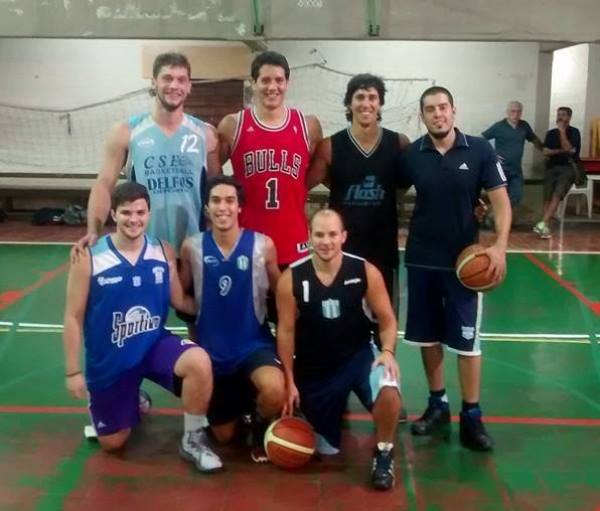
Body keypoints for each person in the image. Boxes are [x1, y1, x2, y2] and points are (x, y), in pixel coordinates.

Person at [63, 182, 223, 473]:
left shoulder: (162, 250)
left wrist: (223, 305)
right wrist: (73, 371)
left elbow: (179, 300)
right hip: (111, 358)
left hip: (153, 345)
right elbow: (73, 317)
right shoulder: (89, 257)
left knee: (199, 361)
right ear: (114, 214)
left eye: (140, 212)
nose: (133, 219)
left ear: (149, 214)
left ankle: (193, 439)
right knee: (113, 443)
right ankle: (131, 398)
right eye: (126, 213)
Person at [399, 86, 511, 451]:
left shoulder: (479, 150)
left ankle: (472, 416)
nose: (438, 114)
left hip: (464, 264)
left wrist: (499, 247)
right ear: (422, 116)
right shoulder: (412, 154)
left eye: (443, 107)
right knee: (428, 338)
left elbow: (501, 203)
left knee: (467, 342)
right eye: (430, 109)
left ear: (453, 110)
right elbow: (392, 194)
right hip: (421, 258)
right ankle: (437, 404)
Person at [276, 209, 402, 491]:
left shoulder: (365, 271)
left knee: (389, 386)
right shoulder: (292, 278)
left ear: (343, 236)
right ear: (309, 237)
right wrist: (289, 379)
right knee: (324, 451)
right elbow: (285, 332)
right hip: (316, 368)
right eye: (319, 235)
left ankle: (384, 453)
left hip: (359, 358)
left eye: (333, 234)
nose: (326, 241)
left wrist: (388, 351)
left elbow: (387, 320)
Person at [179, 175, 286, 463]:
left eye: (229, 200)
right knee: (224, 436)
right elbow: (183, 298)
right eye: (216, 201)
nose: (222, 207)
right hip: (213, 354)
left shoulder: (263, 245)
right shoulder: (191, 247)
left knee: (274, 390)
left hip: (253, 346)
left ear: (240, 207)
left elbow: (283, 294)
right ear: (206, 208)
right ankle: (244, 407)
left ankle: (260, 425)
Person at [75, 52, 220, 255]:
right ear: (154, 83)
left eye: (181, 80)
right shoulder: (126, 132)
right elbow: (104, 184)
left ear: (189, 86)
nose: (174, 85)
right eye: (167, 78)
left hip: (193, 250)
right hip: (144, 251)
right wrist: (93, 231)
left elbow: (218, 190)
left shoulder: (206, 134)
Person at [307, 73, 410, 310]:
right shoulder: (330, 146)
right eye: (360, 97)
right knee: (341, 320)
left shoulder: (399, 143)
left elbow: (411, 182)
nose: (366, 103)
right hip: (342, 250)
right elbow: (302, 185)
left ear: (380, 103)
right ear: (349, 103)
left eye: (372, 97)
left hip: (383, 249)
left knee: (384, 318)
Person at [218, 51, 323, 267]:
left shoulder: (308, 126)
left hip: (293, 239)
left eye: (279, 80)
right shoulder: (232, 125)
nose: (272, 87)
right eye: (265, 80)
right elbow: (213, 177)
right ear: (253, 83)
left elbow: (310, 175)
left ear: (287, 83)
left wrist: (296, 188)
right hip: (246, 239)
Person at [482, 101, 544, 208]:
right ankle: (496, 214)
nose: (515, 115)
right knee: (501, 197)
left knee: (516, 196)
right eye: (513, 111)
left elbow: (533, 139)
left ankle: (503, 215)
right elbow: (481, 140)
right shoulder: (499, 126)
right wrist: (491, 155)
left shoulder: (524, 126)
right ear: (507, 112)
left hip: (516, 169)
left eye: (518, 112)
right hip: (501, 169)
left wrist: (544, 149)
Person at [533, 107, 581, 239]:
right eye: (558, 114)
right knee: (547, 196)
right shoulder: (551, 133)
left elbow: (570, 149)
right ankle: (545, 226)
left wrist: (562, 132)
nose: (560, 117)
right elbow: (546, 151)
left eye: (563, 115)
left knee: (557, 194)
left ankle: (543, 223)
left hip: (567, 168)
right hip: (551, 167)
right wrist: (562, 151)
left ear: (569, 117)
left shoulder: (574, 132)